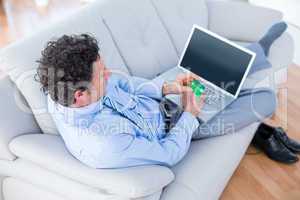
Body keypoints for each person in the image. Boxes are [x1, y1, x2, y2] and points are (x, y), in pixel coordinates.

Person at [36, 22, 293, 168]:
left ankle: (259, 48)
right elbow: (168, 153)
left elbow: (127, 85)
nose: (109, 74)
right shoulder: (106, 143)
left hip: (157, 98)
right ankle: (262, 131)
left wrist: (166, 87)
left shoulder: (61, 89)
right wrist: (191, 114)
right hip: (176, 125)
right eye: (101, 73)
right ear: (80, 96)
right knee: (265, 98)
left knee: (219, 67)